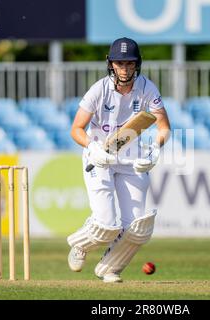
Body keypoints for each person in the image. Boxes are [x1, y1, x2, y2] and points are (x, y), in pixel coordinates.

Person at [66, 37, 170, 283]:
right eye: (119, 63)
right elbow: (76, 129)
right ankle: (80, 245)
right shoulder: (98, 90)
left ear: (137, 65)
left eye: (129, 63)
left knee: (136, 227)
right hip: (100, 158)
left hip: (131, 159)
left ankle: (110, 268)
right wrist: (93, 147)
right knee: (106, 226)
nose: (124, 69)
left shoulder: (147, 88)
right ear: (111, 64)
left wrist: (155, 149)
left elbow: (164, 127)